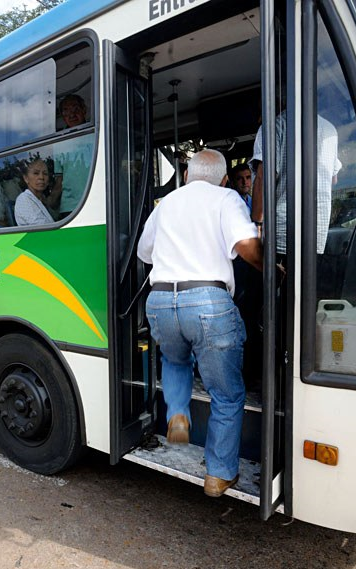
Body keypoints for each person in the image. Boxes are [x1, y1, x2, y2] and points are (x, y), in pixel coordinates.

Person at [137, 149, 263, 498]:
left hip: (160, 301)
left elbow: (144, 254)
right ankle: (218, 475)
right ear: (224, 178)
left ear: (188, 175)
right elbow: (245, 245)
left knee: (174, 359)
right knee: (226, 392)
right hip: (207, 301)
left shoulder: (166, 204)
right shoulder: (226, 197)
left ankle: (178, 413)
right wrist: (271, 269)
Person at [250, 114, 341, 254]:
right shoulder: (330, 130)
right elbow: (333, 179)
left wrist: (256, 224)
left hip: (282, 232)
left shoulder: (274, 126)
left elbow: (264, 178)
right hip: (318, 231)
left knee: (282, 274)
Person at [49, 94, 94, 218]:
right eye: (66, 111)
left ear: (84, 110)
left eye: (75, 109)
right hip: (69, 208)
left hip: (96, 202)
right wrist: (46, 203)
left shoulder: (97, 133)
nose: (71, 115)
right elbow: (60, 181)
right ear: (62, 116)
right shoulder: (59, 142)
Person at [14, 157, 55, 226]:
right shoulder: (23, 199)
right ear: (26, 178)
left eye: (45, 174)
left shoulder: (41, 199)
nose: (41, 177)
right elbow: (43, 228)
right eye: (36, 173)